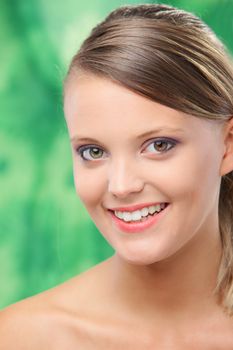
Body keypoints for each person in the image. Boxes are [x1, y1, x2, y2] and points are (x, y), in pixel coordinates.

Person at [1, 3, 233, 349]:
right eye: (93, 152)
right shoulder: (22, 337)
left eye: (158, 145)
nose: (121, 186)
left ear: (227, 145)